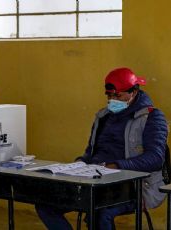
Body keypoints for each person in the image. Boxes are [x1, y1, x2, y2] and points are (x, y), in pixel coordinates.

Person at [35, 67, 168, 230]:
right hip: (96, 180)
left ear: (133, 92)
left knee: (99, 212)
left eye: (117, 95)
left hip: (134, 186)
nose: (112, 100)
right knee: (46, 206)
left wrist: (116, 166)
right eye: (109, 95)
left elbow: (155, 159)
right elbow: (91, 153)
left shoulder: (152, 117)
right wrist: (79, 163)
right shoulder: (103, 116)